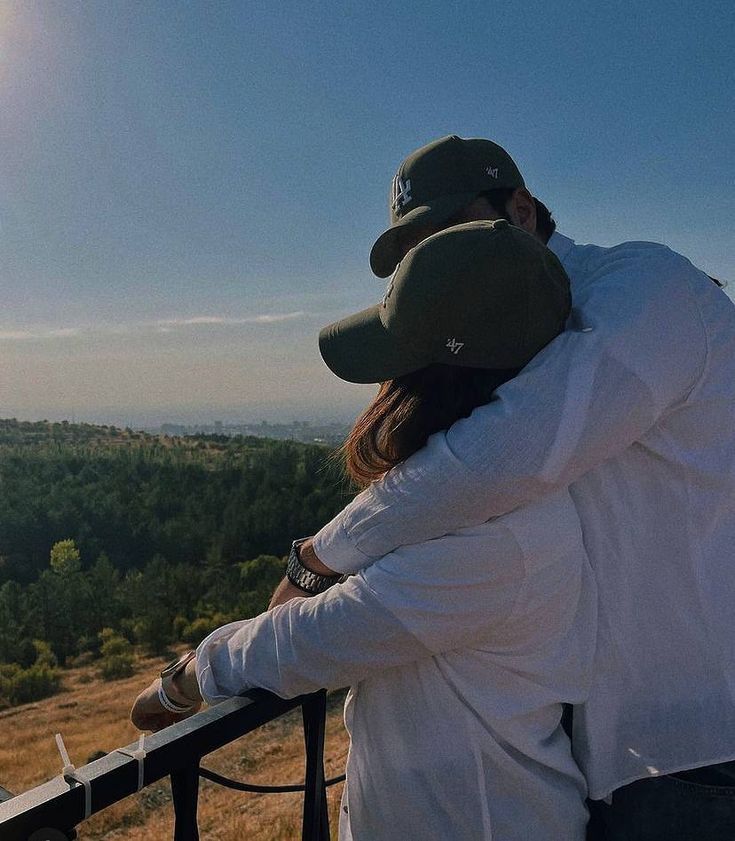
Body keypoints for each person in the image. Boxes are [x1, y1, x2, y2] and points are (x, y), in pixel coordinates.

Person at [268, 135, 735, 840]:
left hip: (692, 743)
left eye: (441, 234)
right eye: (411, 256)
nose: (430, 266)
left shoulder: (645, 290)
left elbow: (502, 457)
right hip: (598, 747)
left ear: (520, 208)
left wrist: (317, 563)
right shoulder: (515, 337)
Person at [132, 221, 598, 840]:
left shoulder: (493, 544)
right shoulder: (501, 502)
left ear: (426, 383)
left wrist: (183, 680)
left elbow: (304, 640)